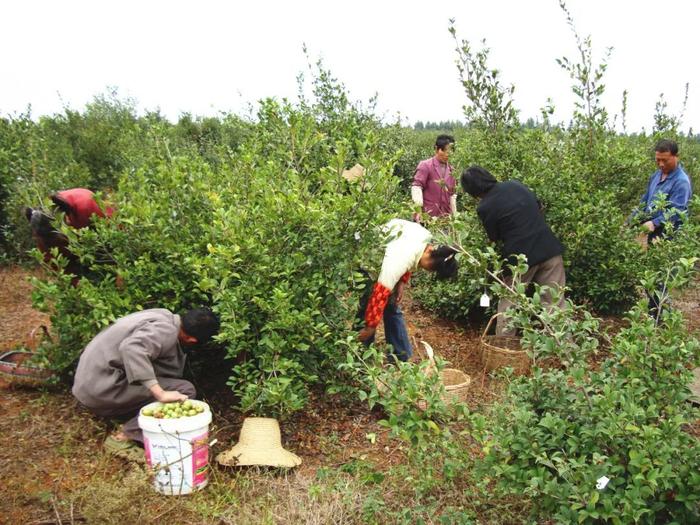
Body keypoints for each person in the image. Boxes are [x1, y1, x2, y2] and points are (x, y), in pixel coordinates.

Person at [72, 308, 220, 457]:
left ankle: (126, 415)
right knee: (184, 390)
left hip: (89, 382)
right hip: (100, 388)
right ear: (191, 340)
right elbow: (132, 348)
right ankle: (124, 436)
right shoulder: (166, 332)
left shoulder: (163, 315)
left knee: (162, 375)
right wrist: (160, 393)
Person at [461, 166, 565, 336]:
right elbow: (539, 208)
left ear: (472, 190)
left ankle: (505, 352)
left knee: (509, 306)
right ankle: (568, 355)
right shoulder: (515, 185)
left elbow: (494, 238)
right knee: (555, 304)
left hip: (520, 260)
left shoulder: (485, 207)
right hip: (549, 249)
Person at [357, 219, 458, 361]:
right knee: (368, 307)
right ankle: (359, 356)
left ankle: (401, 357)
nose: (429, 271)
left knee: (392, 306)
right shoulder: (400, 259)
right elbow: (380, 293)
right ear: (430, 250)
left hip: (386, 254)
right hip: (368, 257)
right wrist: (371, 326)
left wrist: (401, 283)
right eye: (431, 267)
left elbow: (411, 258)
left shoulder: (425, 238)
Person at [630, 139, 692, 317]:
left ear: (676, 157)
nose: (661, 164)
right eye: (658, 160)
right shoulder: (656, 176)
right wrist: (631, 221)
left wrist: (654, 222)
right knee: (652, 275)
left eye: (665, 160)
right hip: (654, 234)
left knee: (660, 277)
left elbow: (677, 210)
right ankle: (654, 314)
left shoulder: (681, 182)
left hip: (669, 234)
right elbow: (645, 201)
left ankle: (660, 318)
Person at [411, 134, 457, 219]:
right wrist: (419, 213)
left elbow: (452, 195)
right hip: (427, 217)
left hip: (445, 218)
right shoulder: (425, 165)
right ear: (436, 149)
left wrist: (455, 217)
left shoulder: (452, 171)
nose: (447, 154)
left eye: (450, 151)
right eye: (444, 150)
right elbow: (417, 187)